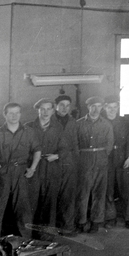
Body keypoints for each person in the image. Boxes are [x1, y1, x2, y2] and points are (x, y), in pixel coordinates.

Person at [0, 103, 40, 239]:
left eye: (17, 113)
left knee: (24, 210)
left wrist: (32, 168)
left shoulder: (29, 132)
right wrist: (0, 170)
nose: (14, 116)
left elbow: (37, 150)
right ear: (5, 114)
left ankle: (25, 241)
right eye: (11, 113)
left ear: (20, 114)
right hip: (1, 173)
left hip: (22, 173)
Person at [26, 97, 71, 236]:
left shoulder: (58, 128)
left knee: (50, 203)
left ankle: (47, 236)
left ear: (53, 111)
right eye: (42, 109)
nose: (45, 112)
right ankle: (30, 236)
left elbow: (65, 148)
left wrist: (56, 156)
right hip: (34, 167)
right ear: (38, 110)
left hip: (52, 168)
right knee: (32, 202)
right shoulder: (28, 127)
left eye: (48, 109)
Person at [75, 96, 114, 233]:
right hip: (84, 159)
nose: (96, 109)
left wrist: (102, 156)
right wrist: (81, 158)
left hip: (101, 159)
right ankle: (81, 221)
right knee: (83, 192)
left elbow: (110, 144)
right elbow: (75, 144)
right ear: (88, 107)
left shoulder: (106, 124)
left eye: (99, 106)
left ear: (102, 108)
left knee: (99, 192)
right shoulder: (79, 124)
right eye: (93, 106)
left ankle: (96, 222)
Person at [103, 97, 129, 229]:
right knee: (108, 189)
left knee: (126, 189)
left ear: (118, 108)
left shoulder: (125, 122)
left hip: (122, 157)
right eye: (109, 107)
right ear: (105, 108)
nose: (112, 110)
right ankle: (110, 218)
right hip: (107, 158)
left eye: (114, 107)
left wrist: (128, 157)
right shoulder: (102, 122)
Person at [52, 94, 80, 233]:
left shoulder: (73, 122)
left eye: (67, 105)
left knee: (68, 196)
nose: (64, 108)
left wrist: (76, 162)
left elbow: (75, 143)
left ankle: (67, 227)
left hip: (69, 163)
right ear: (55, 106)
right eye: (62, 105)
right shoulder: (49, 120)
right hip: (52, 162)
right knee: (52, 195)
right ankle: (52, 227)